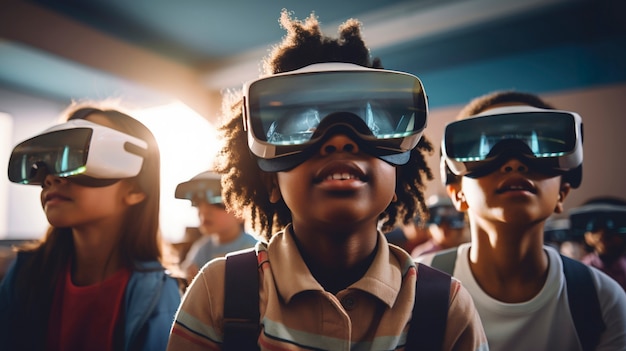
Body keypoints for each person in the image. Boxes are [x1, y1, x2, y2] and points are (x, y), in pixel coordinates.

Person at [167, 10, 487, 351]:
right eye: (304, 128)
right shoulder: (219, 292)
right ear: (271, 182)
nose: (339, 141)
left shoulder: (444, 305)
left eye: (370, 125)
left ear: (397, 173)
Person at [418, 90, 626, 350]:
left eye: (538, 145)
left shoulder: (601, 299)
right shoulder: (412, 287)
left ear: (563, 192)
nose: (514, 163)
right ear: (458, 193)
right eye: (486, 147)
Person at [0, 104, 182, 351]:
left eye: (79, 156)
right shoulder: (25, 273)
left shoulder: (156, 297)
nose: (51, 178)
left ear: (136, 188)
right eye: (53, 161)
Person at [175, 170, 258, 280]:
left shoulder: (253, 250)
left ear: (241, 212)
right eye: (197, 201)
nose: (204, 210)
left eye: (217, 201)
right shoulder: (201, 249)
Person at [570, 197, 626, 291]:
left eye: (610, 231)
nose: (602, 235)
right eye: (595, 229)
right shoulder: (583, 270)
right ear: (586, 237)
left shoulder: (623, 268)